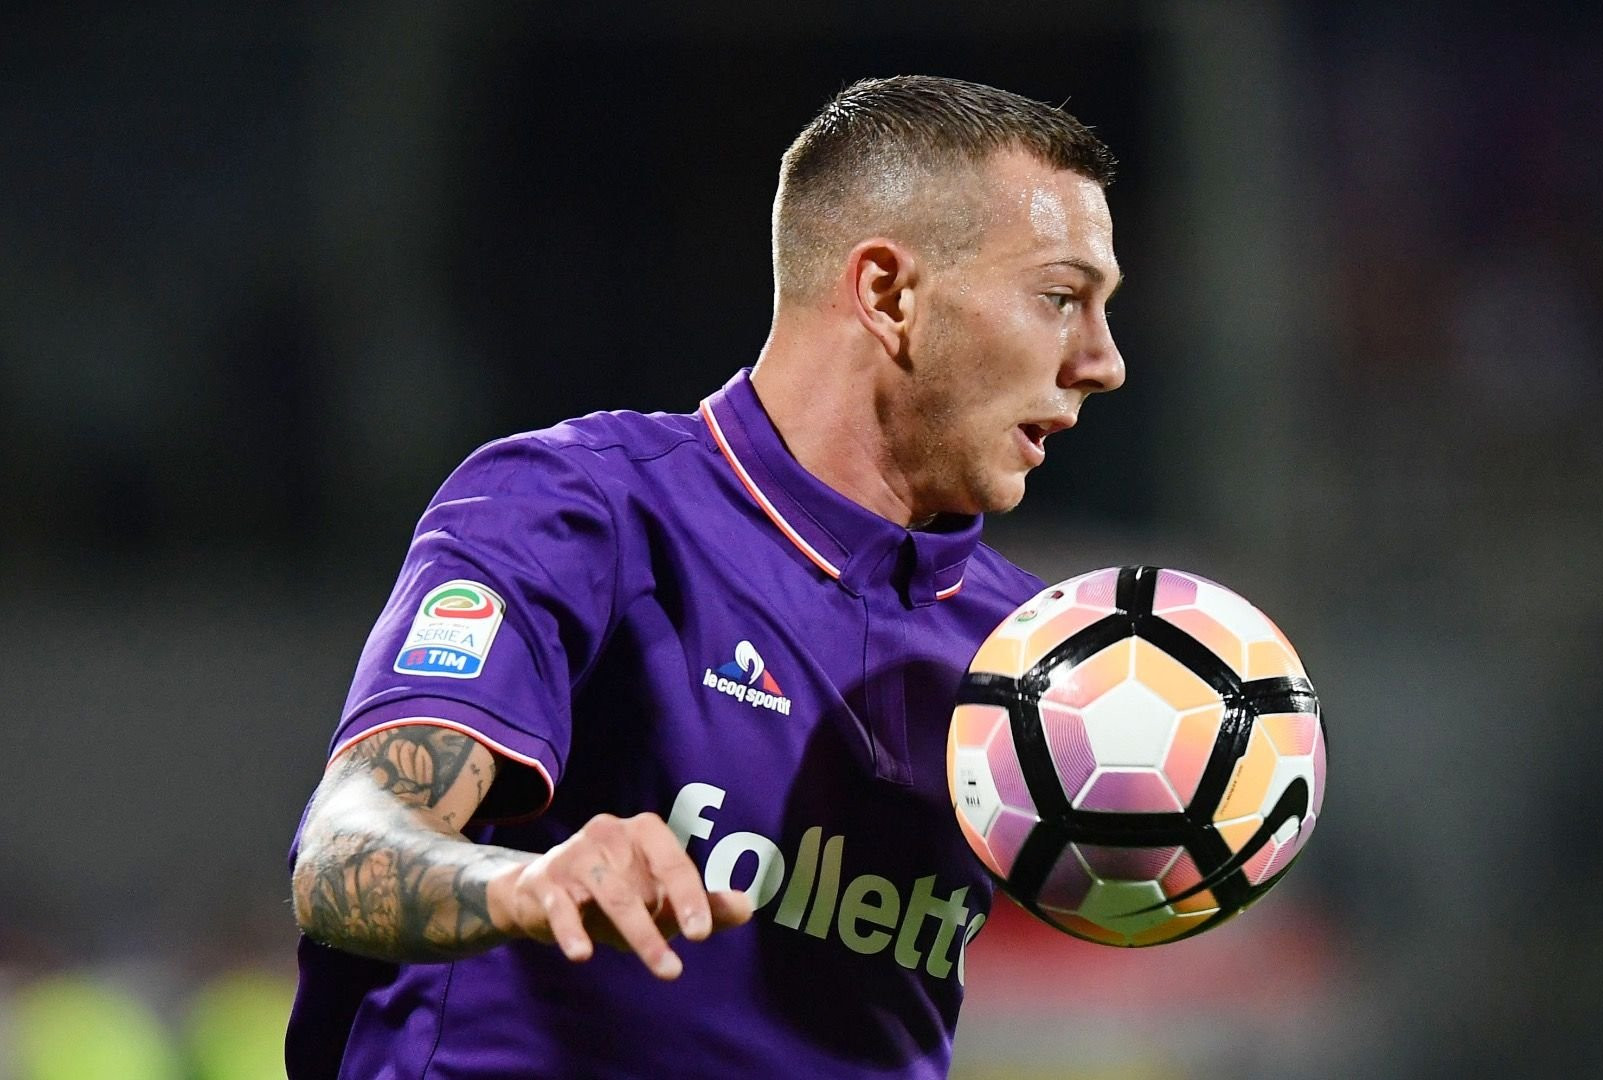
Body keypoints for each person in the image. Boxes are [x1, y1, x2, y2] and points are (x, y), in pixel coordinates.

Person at [287, 74, 1125, 1079]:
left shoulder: (1027, 656)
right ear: (888, 294)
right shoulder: (581, 511)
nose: (1103, 361)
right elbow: (348, 850)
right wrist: (519, 886)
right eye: (1061, 298)